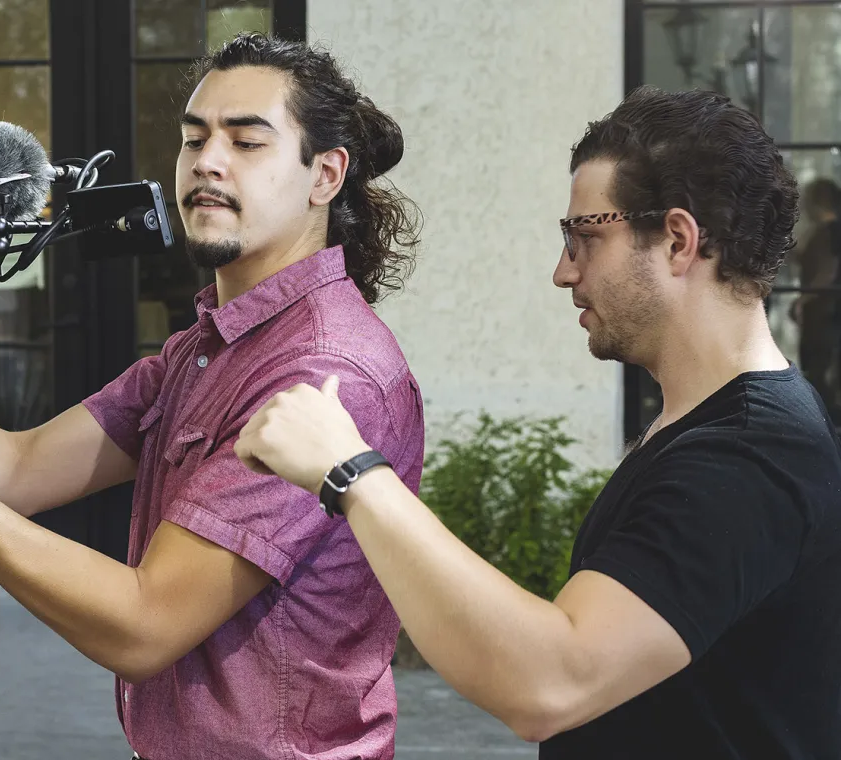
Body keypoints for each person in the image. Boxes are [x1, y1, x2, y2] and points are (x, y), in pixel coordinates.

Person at [0, 33, 425, 760]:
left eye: (247, 141)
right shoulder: (204, 350)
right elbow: (20, 465)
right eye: (193, 137)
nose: (206, 160)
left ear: (325, 174)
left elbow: (144, 625)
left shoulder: (323, 373)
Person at [235, 85, 841, 759]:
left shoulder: (751, 457)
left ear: (676, 239)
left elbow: (549, 682)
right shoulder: (704, 426)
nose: (562, 272)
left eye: (585, 237)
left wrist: (350, 471)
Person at [789, 177, 841, 416]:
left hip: (822, 314)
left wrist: (802, 300)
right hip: (820, 314)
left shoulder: (827, 233)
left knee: (819, 372)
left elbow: (827, 272)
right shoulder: (822, 232)